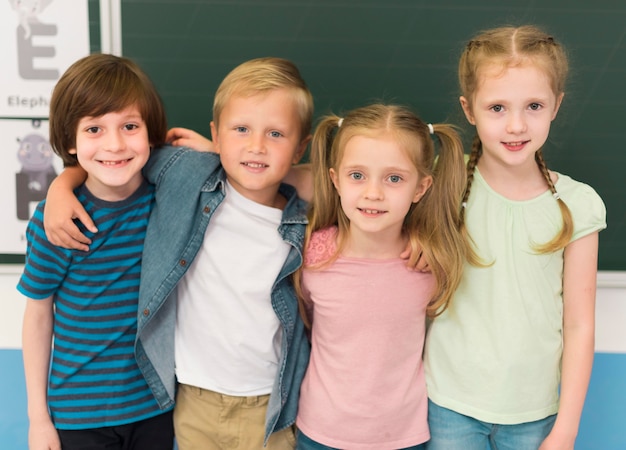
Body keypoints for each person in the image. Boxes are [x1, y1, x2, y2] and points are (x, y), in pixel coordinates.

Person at [41, 56, 314, 450]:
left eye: (276, 135)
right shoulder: (186, 177)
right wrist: (61, 186)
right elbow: (110, 156)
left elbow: (342, 180)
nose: (256, 146)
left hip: (271, 405)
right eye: (241, 130)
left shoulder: (306, 221)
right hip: (190, 400)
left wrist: (229, 153)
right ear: (217, 134)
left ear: (300, 146)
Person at [423, 25, 607, 450]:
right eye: (497, 108)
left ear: (557, 105)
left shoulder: (579, 204)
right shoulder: (440, 186)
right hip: (449, 404)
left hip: (535, 414)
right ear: (469, 110)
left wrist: (566, 428)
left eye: (534, 106)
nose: (516, 125)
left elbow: (579, 325)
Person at [293, 104, 474, 450]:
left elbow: (488, 169)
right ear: (335, 180)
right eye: (357, 175)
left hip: (403, 438)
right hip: (320, 433)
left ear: (420, 189)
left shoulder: (430, 261)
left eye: (394, 178)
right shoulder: (311, 255)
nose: (373, 193)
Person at [18, 54, 174, 450]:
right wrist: (38, 419)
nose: (115, 144)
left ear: (151, 132)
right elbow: (38, 315)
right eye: (94, 129)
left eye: (130, 126)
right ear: (70, 141)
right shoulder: (58, 221)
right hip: (77, 415)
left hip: (155, 407)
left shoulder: (170, 199)